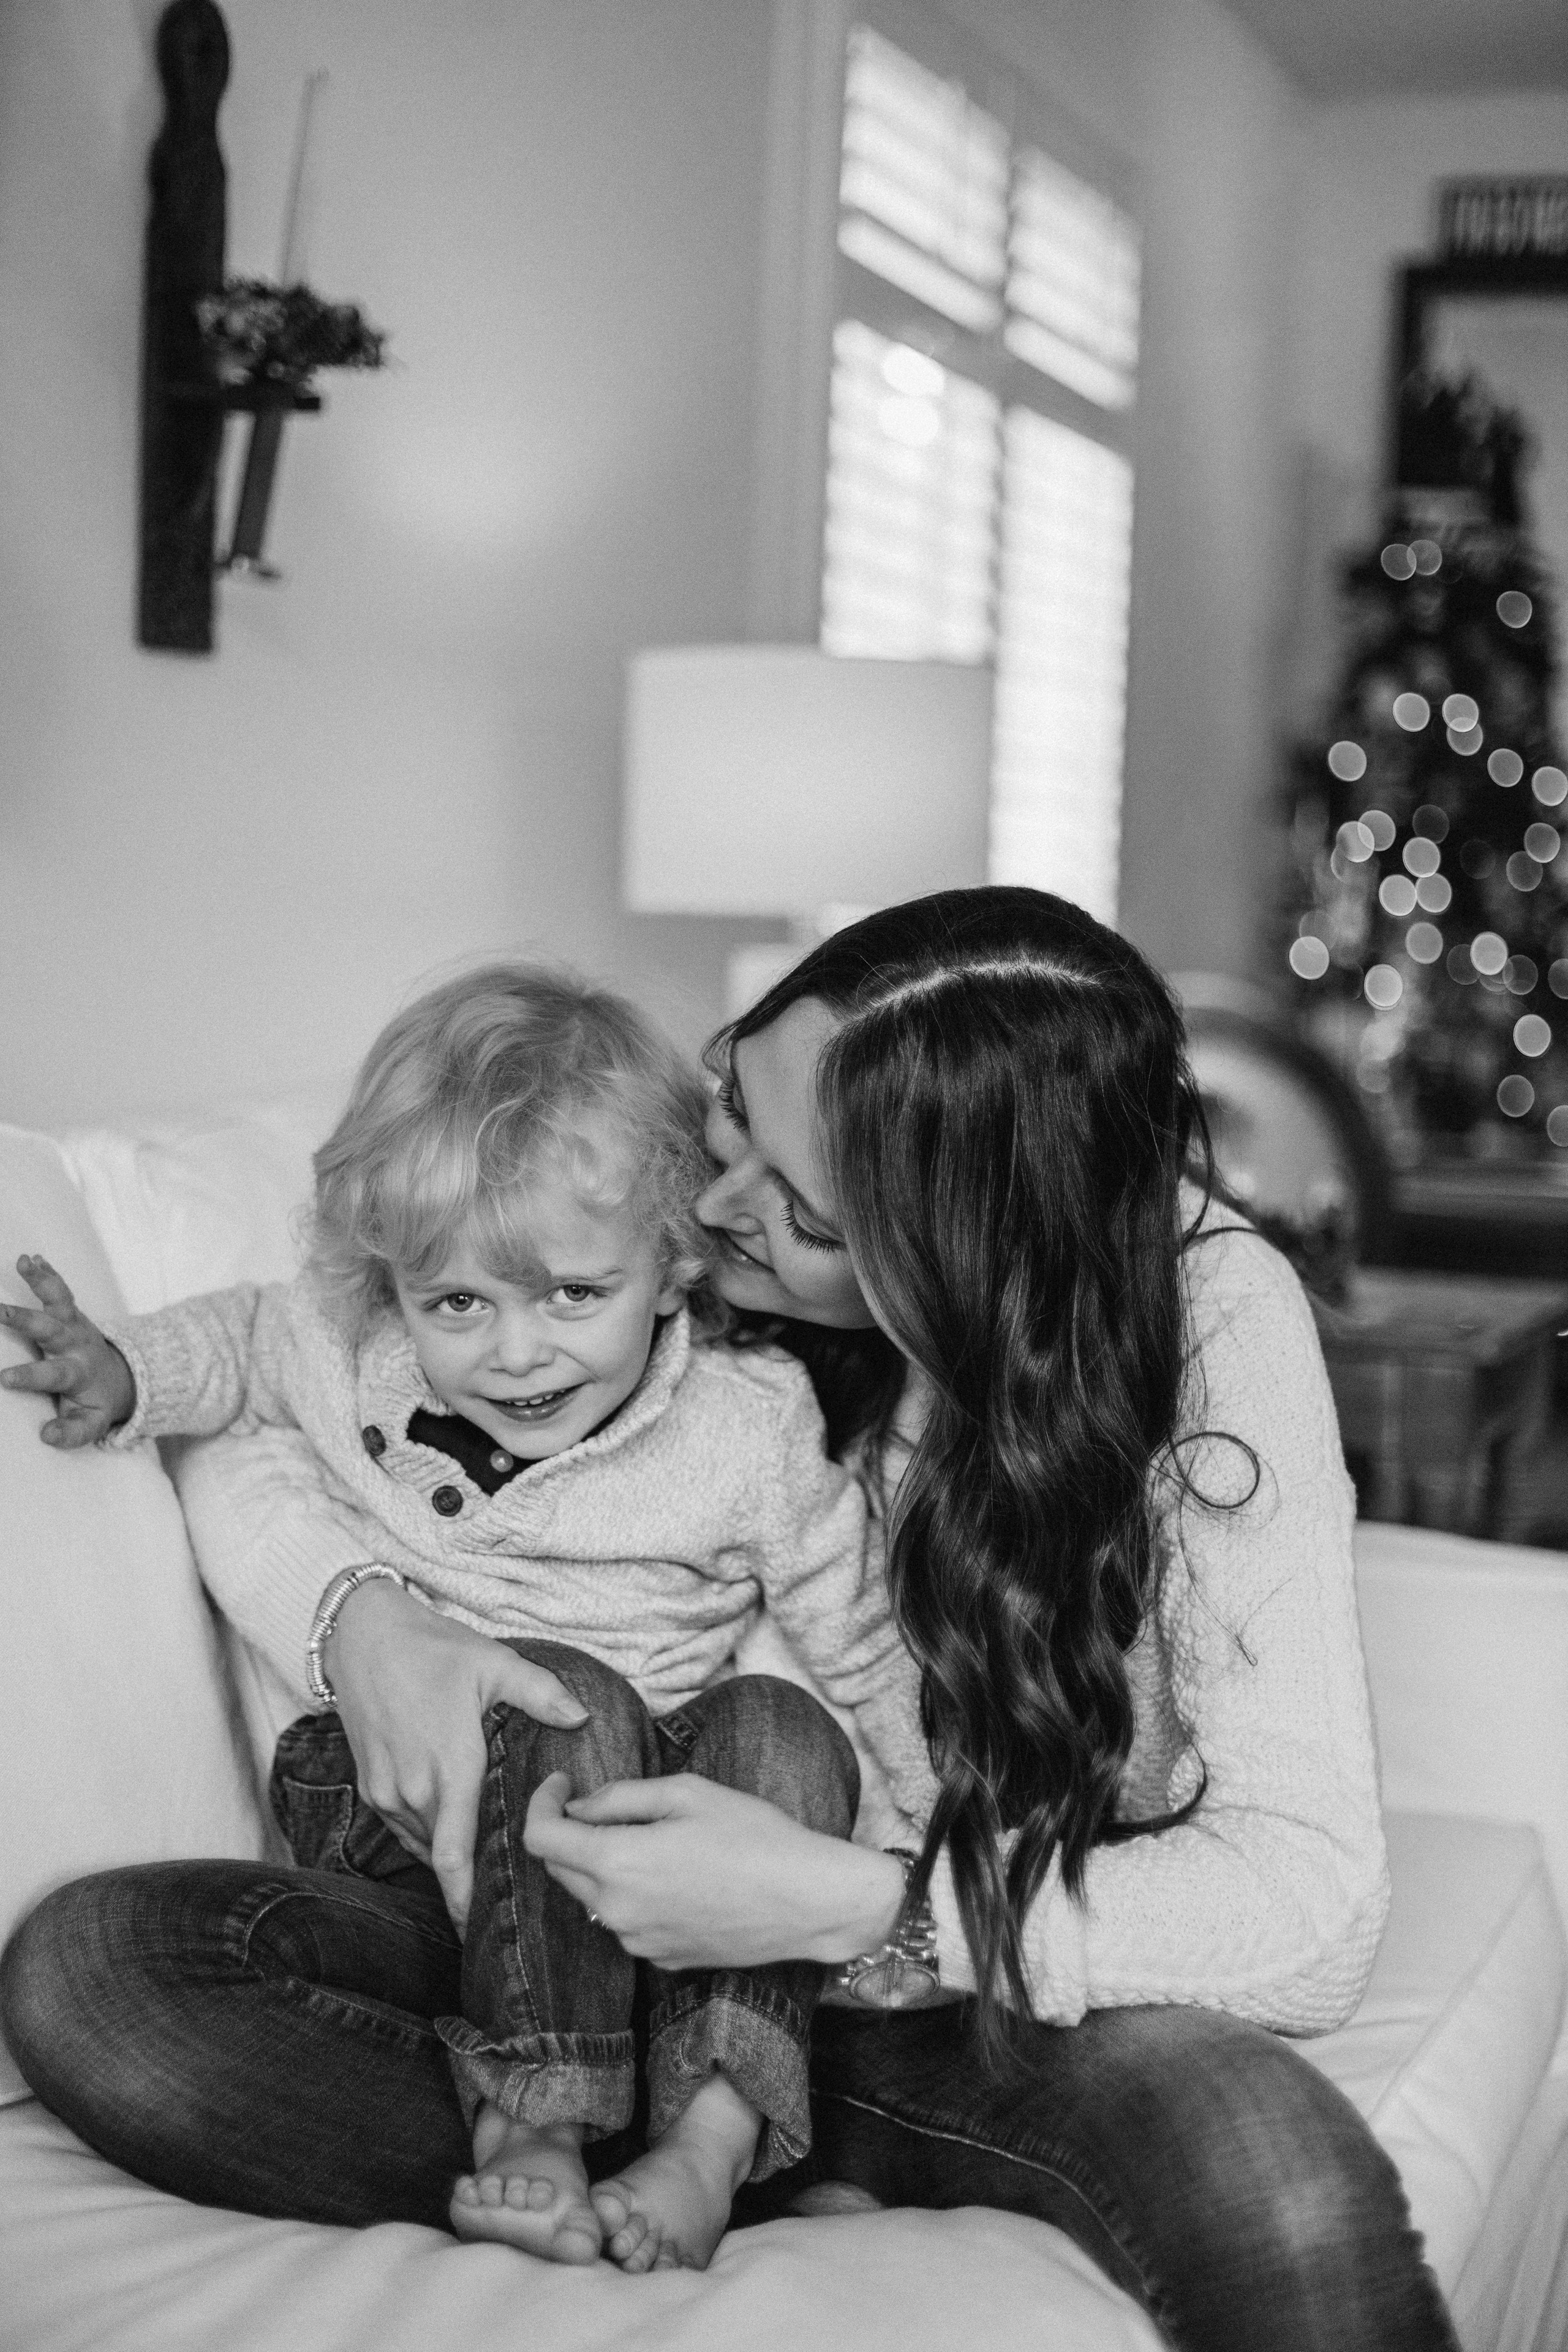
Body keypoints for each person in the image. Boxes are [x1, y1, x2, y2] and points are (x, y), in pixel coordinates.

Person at [1, 890, 1461, 2348]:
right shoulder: (618, 1228)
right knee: (99, 1974)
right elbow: (265, 1413)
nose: (711, 1207)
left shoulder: (1200, 1316)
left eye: (807, 1212)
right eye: (731, 1112)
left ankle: (714, 2135)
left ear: (956, 1250)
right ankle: (597, 2132)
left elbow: (1307, 1911)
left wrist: (855, 1908)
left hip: (899, 1971)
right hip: (521, 1924)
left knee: (1269, 2170)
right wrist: (363, 1627)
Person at [0, 962, 932, 2275]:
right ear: (392, 1283)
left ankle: (708, 2140)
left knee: (782, 1725)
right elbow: (239, 1345)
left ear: (673, 1266)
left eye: (572, 1295)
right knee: (553, 1693)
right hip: (417, 1834)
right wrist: (123, 1369)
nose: (515, 1352)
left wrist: (919, 1853)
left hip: (663, 1874)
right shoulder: (345, 1345)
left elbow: (864, 1644)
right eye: (457, 1304)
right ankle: (533, 2115)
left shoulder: (752, 1422)